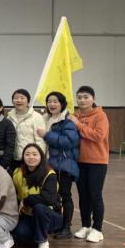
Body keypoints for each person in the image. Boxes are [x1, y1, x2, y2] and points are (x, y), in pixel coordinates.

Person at [69, 86, 109, 243]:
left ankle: (97, 229)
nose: (82, 100)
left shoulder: (100, 116)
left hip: (97, 161)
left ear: (93, 98)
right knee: (83, 195)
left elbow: (98, 136)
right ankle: (85, 226)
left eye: (86, 97)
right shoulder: (74, 115)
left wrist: (78, 125)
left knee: (95, 195)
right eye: (79, 97)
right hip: (79, 161)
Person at [37, 91, 79, 240]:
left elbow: (69, 141)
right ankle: (57, 225)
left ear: (62, 104)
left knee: (65, 196)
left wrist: (46, 135)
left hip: (64, 164)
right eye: (49, 101)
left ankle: (66, 228)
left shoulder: (67, 121)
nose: (52, 104)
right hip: (49, 164)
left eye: (55, 101)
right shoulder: (44, 119)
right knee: (53, 197)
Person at [12, 144, 63, 248]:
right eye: (27, 154)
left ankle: (42, 241)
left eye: (35, 154)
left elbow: (48, 199)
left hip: (50, 215)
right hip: (28, 215)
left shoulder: (49, 173)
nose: (31, 157)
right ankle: (38, 236)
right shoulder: (18, 172)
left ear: (41, 157)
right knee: (20, 233)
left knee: (39, 207)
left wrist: (26, 200)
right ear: (23, 157)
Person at [7, 89, 46, 172]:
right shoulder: (9, 117)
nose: (19, 100)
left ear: (28, 101)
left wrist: (39, 158)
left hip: (30, 159)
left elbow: (40, 141)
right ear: (12, 101)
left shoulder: (36, 117)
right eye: (16, 98)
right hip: (13, 158)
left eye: (22, 98)